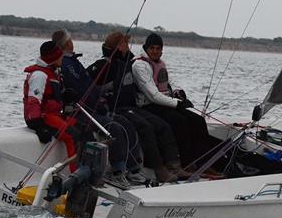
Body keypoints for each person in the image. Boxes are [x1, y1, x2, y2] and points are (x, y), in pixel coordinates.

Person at [87, 31, 185, 183]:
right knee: (145, 126)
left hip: (131, 106)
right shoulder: (104, 65)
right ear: (119, 47)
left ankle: (174, 164)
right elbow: (88, 86)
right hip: (115, 108)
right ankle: (158, 169)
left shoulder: (128, 62)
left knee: (161, 124)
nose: (128, 45)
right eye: (125, 43)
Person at [51, 30, 144, 186]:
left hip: (95, 108)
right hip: (80, 111)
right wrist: (97, 103)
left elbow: (89, 86)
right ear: (68, 43)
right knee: (113, 127)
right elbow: (80, 89)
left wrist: (100, 103)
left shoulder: (73, 62)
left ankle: (133, 168)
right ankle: (117, 171)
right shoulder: (67, 65)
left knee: (124, 122)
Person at [132, 33, 217, 170]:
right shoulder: (140, 65)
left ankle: (205, 162)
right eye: (152, 48)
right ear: (146, 48)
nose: (155, 51)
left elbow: (169, 84)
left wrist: (178, 93)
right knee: (179, 121)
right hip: (149, 106)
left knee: (198, 121)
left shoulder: (160, 63)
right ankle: (186, 164)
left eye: (158, 48)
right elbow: (153, 95)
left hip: (164, 104)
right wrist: (177, 103)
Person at [23, 40, 83, 173]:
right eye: (60, 56)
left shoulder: (52, 71)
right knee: (71, 135)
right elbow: (33, 101)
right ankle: (76, 175)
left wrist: (65, 95)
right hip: (42, 117)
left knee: (82, 127)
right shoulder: (40, 75)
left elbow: (52, 94)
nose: (62, 58)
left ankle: (86, 169)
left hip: (54, 114)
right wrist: (38, 126)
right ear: (53, 58)